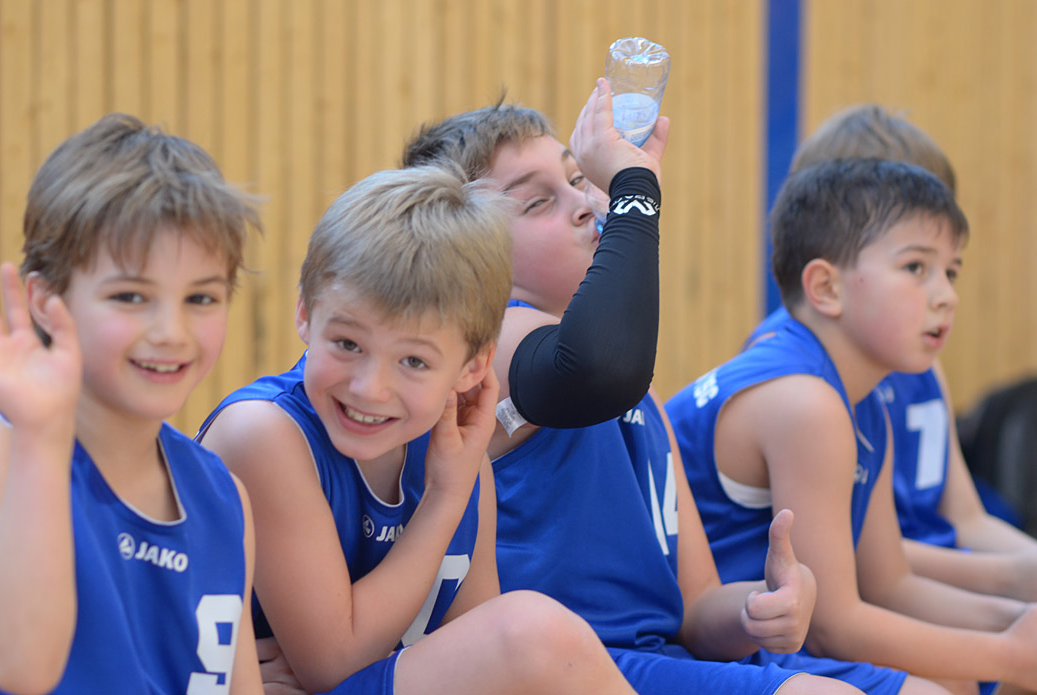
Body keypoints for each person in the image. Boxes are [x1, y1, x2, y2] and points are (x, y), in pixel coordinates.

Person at [401, 80, 945, 695]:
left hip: (662, 660)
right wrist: (635, 191)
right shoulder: (490, 350)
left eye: (578, 180)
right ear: (466, 255)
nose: (584, 204)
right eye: (537, 203)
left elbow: (697, 607)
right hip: (579, 667)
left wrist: (760, 609)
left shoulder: (639, 394)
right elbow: (597, 364)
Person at [197, 163, 641, 695]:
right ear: (305, 315)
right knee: (534, 635)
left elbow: (477, 659)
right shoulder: (263, 433)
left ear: (473, 367)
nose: (370, 388)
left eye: (413, 361)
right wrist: (445, 497)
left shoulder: (457, 454)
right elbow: (333, 664)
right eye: (348, 344)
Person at [666, 157, 1037, 692]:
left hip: (754, 636)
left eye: (951, 272)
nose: (947, 295)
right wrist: (1007, 655)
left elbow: (890, 586)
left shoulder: (861, 401)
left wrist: (1015, 625)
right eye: (916, 267)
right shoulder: (805, 402)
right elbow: (831, 628)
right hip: (699, 641)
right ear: (826, 287)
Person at [0, 114, 264, 694]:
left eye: (201, 298)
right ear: (44, 300)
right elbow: (20, 670)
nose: (171, 332)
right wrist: (42, 434)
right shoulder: (4, 453)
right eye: (131, 296)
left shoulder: (224, 498)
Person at [778, 104, 1037, 603]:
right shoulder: (803, 378)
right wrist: (1010, 583)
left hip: (924, 581)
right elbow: (861, 566)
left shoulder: (920, 360)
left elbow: (966, 519)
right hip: (882, 594)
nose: (945, 293)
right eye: (916, 262)